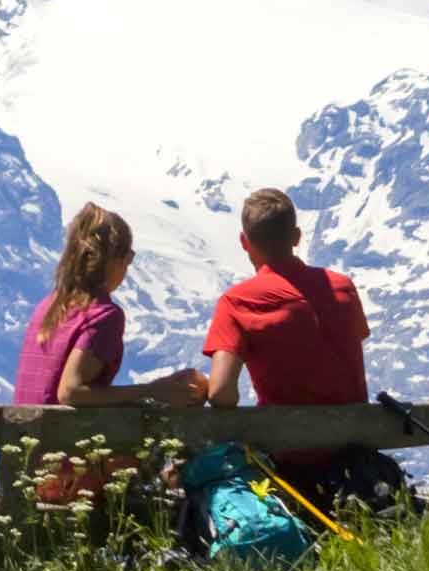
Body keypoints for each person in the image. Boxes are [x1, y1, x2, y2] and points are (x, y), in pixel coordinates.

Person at [162, 186, 407, 526]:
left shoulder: (238, 302)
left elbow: (221, 394)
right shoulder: (343, 287)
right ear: (296, 236)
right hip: (356, 458)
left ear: (245, 242)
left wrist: (201, 384)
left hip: (290, 464)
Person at [8, 204, 138, 404]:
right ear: (113, 259)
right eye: (128, 257)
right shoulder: (104, 315)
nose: (127, 267)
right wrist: (153, 391)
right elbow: (70, 392)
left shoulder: (47, 306)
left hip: (20, 431)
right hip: (59, 432)